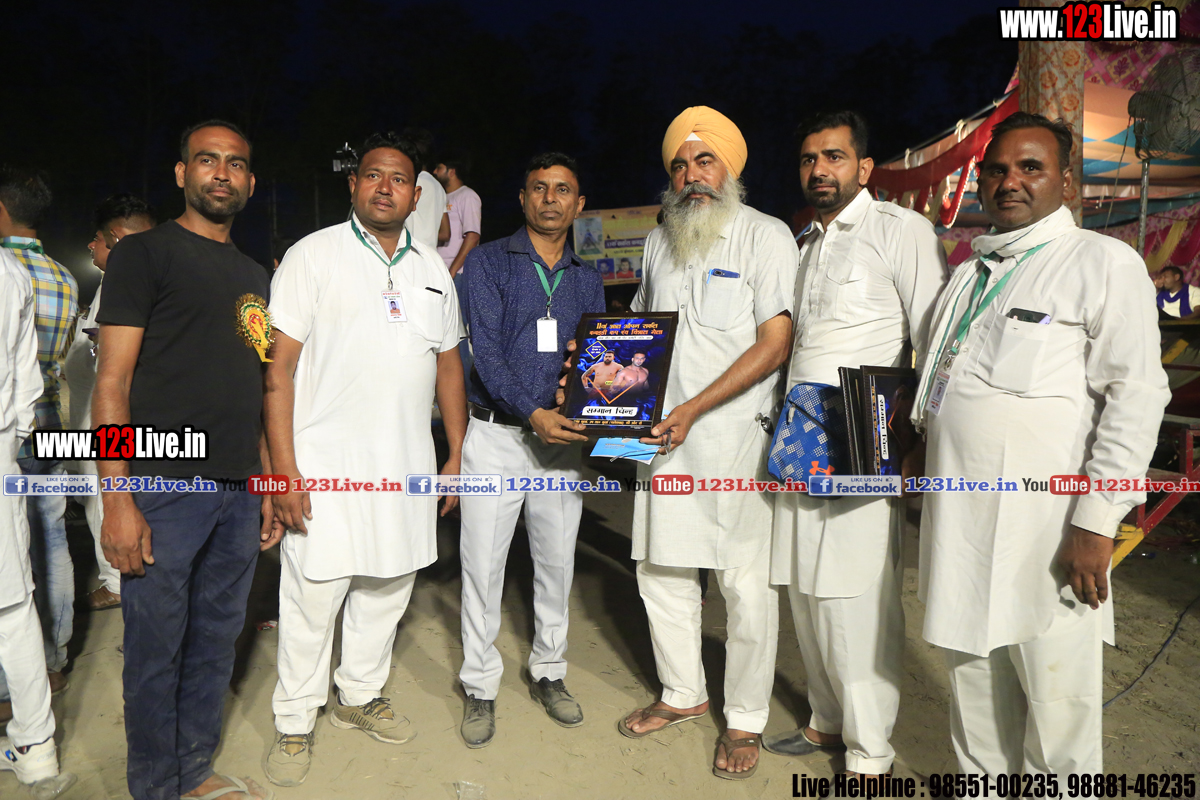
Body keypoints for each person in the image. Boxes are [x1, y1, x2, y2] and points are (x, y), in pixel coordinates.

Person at [912, 112, 1170, 775]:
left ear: (1067, 181)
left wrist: (1096, 522)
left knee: (1058, 711)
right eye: (998, 169)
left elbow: (1137, 397)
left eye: (1031, 167)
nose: (1011, 181)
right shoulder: (969, 273)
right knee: (973, 691)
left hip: (1048, 531)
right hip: (959, 524)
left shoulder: (1101, 263)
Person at [264, 132, 467, 785]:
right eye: (374, 175)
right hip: (323, 466)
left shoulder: (432, 270)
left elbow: (449, 367)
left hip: (405, 468)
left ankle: (358, 694)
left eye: (399, 178)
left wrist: (455, 455)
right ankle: (295, 721)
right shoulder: (312, 255)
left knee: (388, 586)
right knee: (312, 597)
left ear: (417, 196)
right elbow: (277, 370)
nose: (386, 187)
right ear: (353, 185)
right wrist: (283, 470)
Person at [94, 120, 278, 800]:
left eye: (236, 163)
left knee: (215, 643)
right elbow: (111, 383)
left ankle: (193, 771)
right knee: (155, 650)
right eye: (207, 160)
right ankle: (154, 786)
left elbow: (257, 388)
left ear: (250, 182)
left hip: (238, 493)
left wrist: (265, 481)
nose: (222, 173)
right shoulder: (143, 255)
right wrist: (118, 501)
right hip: (164, 487)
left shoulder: (256, 276)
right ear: (182, 173)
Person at [765, 111, 947, 783]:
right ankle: (825, 718)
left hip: (865, 437)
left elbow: (934, 338)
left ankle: (870, 752)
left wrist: (917, 438)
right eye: (809, 158)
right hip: (800, 436)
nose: (819, 169)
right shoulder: (803, 242)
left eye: (834, 157)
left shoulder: (901, 231)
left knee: (855, 594)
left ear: (864, 167)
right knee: (804, 589)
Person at [618, 106, 798, 781]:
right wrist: (599, 371)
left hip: (734, 440)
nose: (692, 175)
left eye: (705, 161)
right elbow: (641, 332)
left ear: (730, 169)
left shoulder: (765, 235)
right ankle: (682, 692)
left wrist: (693, 408)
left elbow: (776, 342)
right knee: (660, 569)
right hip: (663, 437)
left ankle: (744, 716)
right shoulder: (658, 241)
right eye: (680, 165)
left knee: (745, 585)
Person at [457, 152, 603, 749]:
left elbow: (593, 357)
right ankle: (479, 684)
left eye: (562, 189)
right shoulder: (489, 261)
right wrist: (533, 412)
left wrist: (585, 397)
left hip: (560, 445)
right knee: (482, 567)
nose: (550, 198)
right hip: (496, 438)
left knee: (557, 565)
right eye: (539, 188)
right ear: (522, 198)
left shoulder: (587, 278)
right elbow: (486, 356)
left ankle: (549, 671)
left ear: (579, 204)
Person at [0, 164, 79, 722]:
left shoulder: (6, 272)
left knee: (11, 557)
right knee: (52, 538)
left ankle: (13, 686)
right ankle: (54, 658)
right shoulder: (63, 277)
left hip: (11, 428)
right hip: (50, 421)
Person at [63, 193, 156, 612]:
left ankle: (117, 582)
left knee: (107, 500)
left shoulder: (126, 283)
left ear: (115, 238)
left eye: (98, 239)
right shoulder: (115, 283)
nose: (91, 245)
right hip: (95, 421)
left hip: (110, 426)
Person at [403, 127, 451, 251]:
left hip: (410, 252)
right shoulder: (439, 187)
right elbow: (445, 233)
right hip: (430, 255)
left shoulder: (412, 181)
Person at [435, 154, 481, 278]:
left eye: (439, 168)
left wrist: (453, 270)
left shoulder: (467, 195)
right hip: (439, 268)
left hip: (457, 273)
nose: (434, 172)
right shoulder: (441, 196)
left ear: (451, 172)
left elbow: (473, 236)